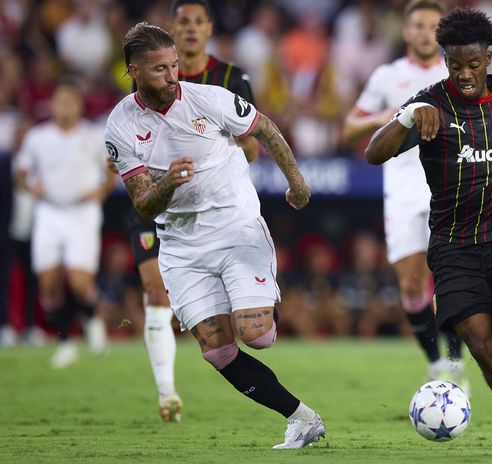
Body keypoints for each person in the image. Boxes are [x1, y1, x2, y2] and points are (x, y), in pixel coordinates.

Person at [105, 22, 324, 450]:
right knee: (219, 352)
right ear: (133, 71)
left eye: (173, 67)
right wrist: (167, 182)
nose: (171, 78)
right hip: (182, 248)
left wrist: (296, 182)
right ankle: (302, 419)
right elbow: (144, 205)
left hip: (235, 226)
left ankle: (256, 294)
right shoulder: (120, 126)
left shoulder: (210, 99)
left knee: (258, 335)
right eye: (159, 70)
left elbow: (266, 129)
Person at [364, 8, 492, 454]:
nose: (464, 74)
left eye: (473, 64)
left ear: (488, 58)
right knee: (482, 348)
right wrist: (405, 118)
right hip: (453, 249)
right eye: (455, 64)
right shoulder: (429, 105)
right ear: (445, 60)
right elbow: (373, 154)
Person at [128, 0, 260, 423]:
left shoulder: (230, 79)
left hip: (213, 207)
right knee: (154, 291)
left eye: (196, 22)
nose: (188, 29)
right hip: (157, 200)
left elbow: (255, 145)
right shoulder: (145, 76)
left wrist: (207, 156)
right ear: (171, 28)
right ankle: (167, 391)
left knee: (236, 327)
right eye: (181, 21)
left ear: (208, 29)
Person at [342, 0, 467, 387]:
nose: (425, 31)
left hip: (451, 188)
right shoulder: (387, 75)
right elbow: (348, 129)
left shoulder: (460, 73)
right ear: (406, 31)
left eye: (433, 25)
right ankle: (434, 362)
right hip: (403, 191)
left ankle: (455, 363)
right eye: (418, 24)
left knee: (454, 282)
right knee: (412, 288)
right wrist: (392, 117)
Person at [15, 79, 116, 368]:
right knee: (48, 284)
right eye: (59, 102)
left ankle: (93, 319)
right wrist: (30, 187)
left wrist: (101, 191)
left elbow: (110, 172)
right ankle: (65, 343)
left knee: (79, 282)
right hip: (49, 212)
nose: (64, 108)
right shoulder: (37, 137)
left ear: (78, 105)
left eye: (69, 102)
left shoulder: (94, 136)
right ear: (52, 105)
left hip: (83, 213)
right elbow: (22, 174)